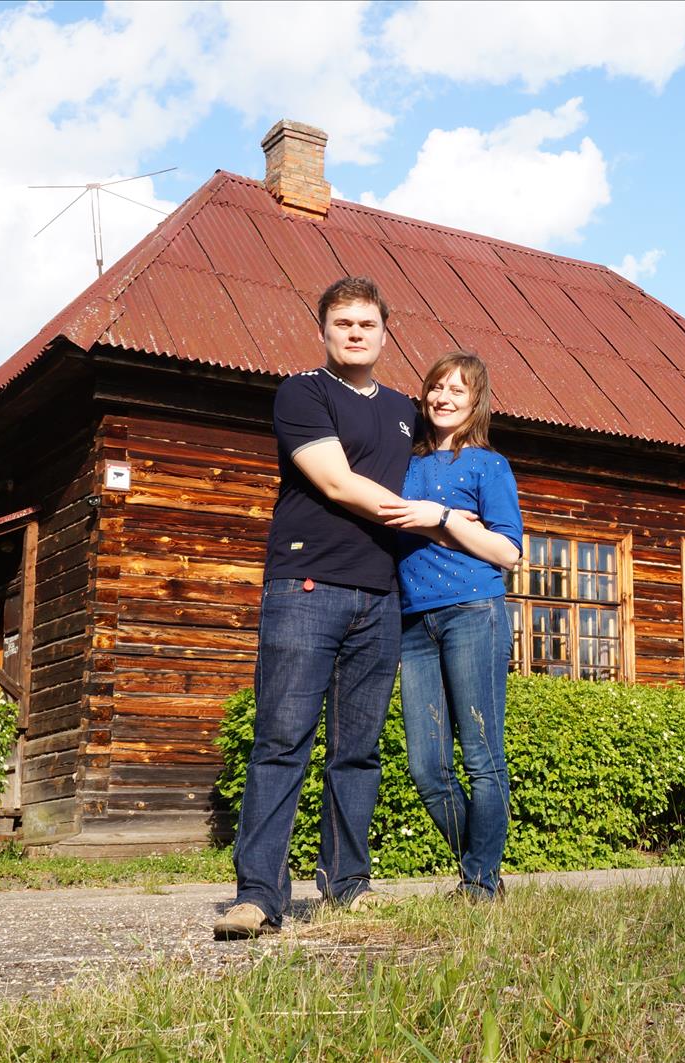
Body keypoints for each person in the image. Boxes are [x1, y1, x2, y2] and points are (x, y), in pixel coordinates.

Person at [214, 276, 445, 940]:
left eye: (366, 323)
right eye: (342, 322)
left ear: (383, 332)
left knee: (359, 751)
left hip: (380, 594)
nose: (353, 332)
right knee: (283, 740)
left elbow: (457, 434)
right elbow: (338, 482)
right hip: (306, 587)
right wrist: (439, 521)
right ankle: (259, 894)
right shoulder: (304, 392)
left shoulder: (405, 409)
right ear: (323, 330)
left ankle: (348, 883)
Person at [379, 352, 523, 901]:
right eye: (436, 388)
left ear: (475, 401)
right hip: (414, 623)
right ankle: (481, 867)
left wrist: (440, 519)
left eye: (457, 390)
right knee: (426, 769)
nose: (443, 398)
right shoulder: (406, 465)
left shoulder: (488, 465)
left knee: (483, 756)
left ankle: (480, 884)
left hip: (473, 615)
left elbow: (507, 551)